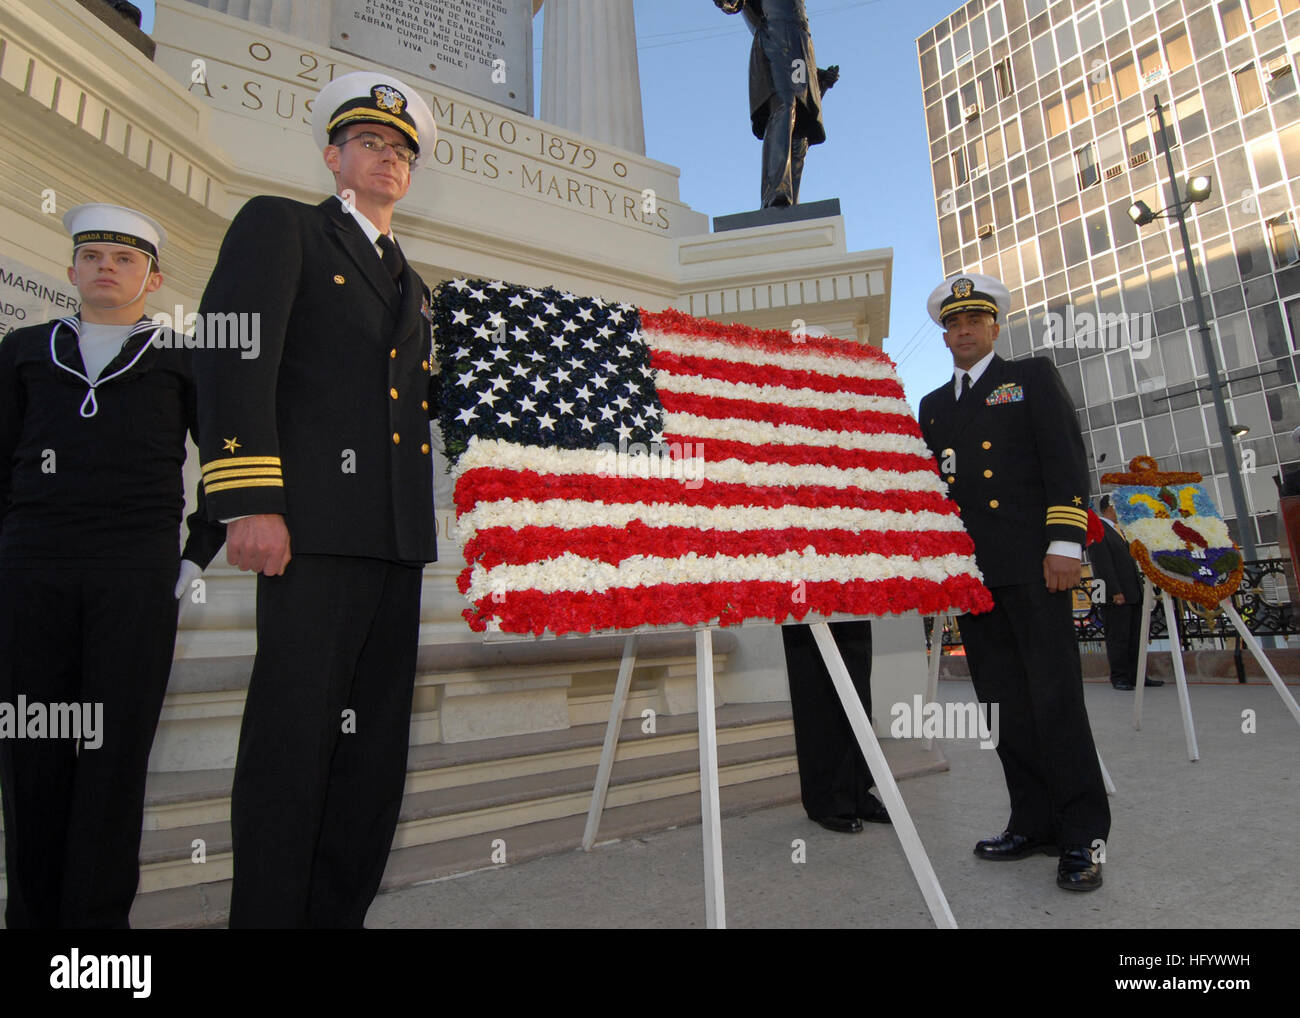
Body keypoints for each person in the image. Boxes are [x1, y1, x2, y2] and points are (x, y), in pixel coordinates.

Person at [193, 72, 439, 927]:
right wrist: (248, 497)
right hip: (310, 534)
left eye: (402, 150)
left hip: (395, 542)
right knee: (292, 750)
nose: (387, 159)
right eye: (370, 142)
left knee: (371, 759)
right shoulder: (283, 226)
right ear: (334, 155)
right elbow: (232, 357)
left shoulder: (413, 282)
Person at [0, 204, 225, 927]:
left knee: (114, 755)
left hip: (135, 573)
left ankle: (95, 933)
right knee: (31, 749)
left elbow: (227, 462)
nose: (106, 267)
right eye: (92, 255)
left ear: (153, 278)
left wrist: (197, 553)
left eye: (124, 259)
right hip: (30, 567)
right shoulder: (24, 348)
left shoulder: (183, 357)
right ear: (71, 271)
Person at [917, 273, 1109, 892]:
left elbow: (1065, 460)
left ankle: (1083, 835)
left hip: (1034, 567)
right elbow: (936, 496)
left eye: (974, 320)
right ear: (944, 334)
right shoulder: (933, 407)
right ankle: (1032, 821)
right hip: (975, 578)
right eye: (953, 323)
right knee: (1001, 707)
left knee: (1056, 701)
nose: (963, 330)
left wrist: (1065, 543)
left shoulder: (1028, 378)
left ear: (995, 326)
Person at [714, 0, 839, 208]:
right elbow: (732, 4)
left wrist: (818, 79)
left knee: (801, 125)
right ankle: (776, 189)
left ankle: (791, 200)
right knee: (785, 105)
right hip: (774, 39)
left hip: (799, 46)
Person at [782, 621, 890, 833]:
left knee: (856, 685)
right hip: (804, 594)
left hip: (849, 592)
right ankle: (825, 800)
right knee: (816, 687)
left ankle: (858, 792)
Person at [1089, 494, 1162, 691]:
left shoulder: (1120, 531)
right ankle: (1120, 676)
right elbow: (1102, 564)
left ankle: (1138, 675)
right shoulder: (1098, 529)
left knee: (1136, 636)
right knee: (1119, 637)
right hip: (1115, 594)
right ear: (1111, 508)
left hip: (1132, 592)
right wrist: (1115, 591)